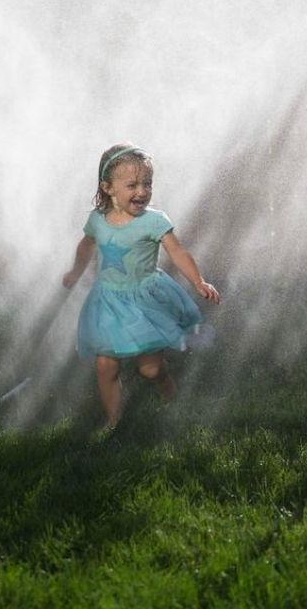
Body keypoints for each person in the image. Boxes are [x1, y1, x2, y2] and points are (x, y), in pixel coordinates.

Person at [63, 143, 220, 430]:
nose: (142, 192)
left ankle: (164, 381)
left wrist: (198, 281)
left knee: (149, 369)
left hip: (144, 299)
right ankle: (114, 421)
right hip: (109, 299)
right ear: (108, 188)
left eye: (147, 184)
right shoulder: (97, 220)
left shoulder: (154, 221)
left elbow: (178, 251)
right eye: (132, 185)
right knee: (105, 365)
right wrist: (75, 271)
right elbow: (85, 246)